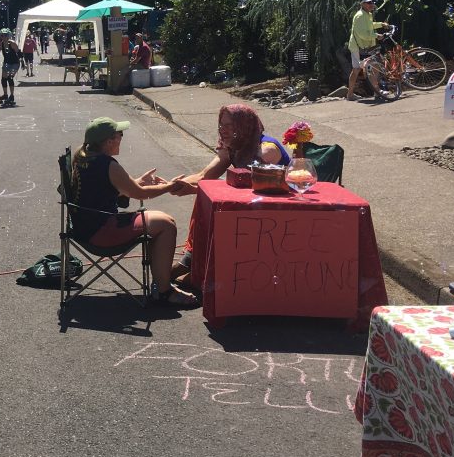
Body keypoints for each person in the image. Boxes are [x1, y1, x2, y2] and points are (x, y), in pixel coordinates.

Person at [71, 117, 198, 307]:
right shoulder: (108, 165)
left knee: (160, 221)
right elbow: (140, 194)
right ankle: (164, 291)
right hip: (102, 233)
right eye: (119, 135)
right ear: (109, 141)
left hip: (85, 228)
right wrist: (170, 186)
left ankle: (161, 283)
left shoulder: (84, 158)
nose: (122, 137)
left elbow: (110, 188)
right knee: (166, 224)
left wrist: (137, 182)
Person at [170, 103, 290, 280]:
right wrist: (169, 185)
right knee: (206, 199)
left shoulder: (266, 150)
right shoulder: (233, 146)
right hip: (249, 202)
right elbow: (204, 175)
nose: (223, 130)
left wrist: (194, 190)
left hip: (274, 206)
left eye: (229, 125)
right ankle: (193, 259)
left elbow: (252, 185)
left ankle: (201, 267)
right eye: (221, 125)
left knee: (212, 202)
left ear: (244, 125)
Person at [346, 0, 392, 102]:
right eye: (369, 2)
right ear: (362, 4)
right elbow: (363, 34)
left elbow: (369, 25)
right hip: (358, 47)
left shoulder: (367, 14)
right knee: (357, 69)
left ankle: (376, 92)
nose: (372, 4)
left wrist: (381, 24)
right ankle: (350, 94)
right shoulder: (360, 15)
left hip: (366, 47)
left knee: (373, 67)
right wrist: (377, 36)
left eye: (373, 2)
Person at [0, 28, 21, 105]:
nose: (4, 37)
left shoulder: (12, 43)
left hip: (15, 63)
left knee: (10, 78)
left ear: (8, 36)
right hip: (7, 63)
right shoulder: (1, 44)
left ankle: (11, 96)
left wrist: (23, 63)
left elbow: (19, 53)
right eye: (2, 35)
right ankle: (5, 95)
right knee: (3, 79)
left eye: (5, 35)